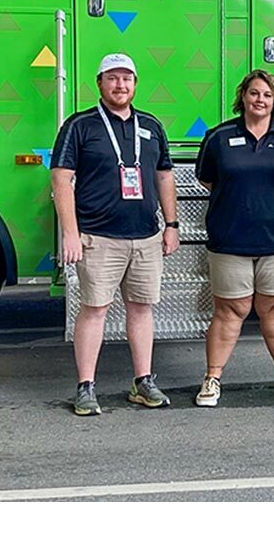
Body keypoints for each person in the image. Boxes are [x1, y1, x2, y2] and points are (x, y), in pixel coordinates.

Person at [51, 52, 180, 415]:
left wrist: (171, 225)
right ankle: (85, 387)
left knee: (141, 309)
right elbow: (61, 179)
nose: (120, 85)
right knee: (94, 310)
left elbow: (164, 176)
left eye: (127, 78)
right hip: (98, 237)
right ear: (100, 83)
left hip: (146, 237)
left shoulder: (151, 126)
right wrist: (70, 234)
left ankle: (143, 382)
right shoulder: (80, 126)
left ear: (135, 84)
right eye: (112, 78)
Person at [193, 70, 274, 407]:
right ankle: (212, 379)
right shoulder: (218, 138)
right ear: (242, 97)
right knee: (230, 310)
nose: (260, 100)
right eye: (254, 93)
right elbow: (208, 180)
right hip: (230, 239)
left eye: (267, 95)